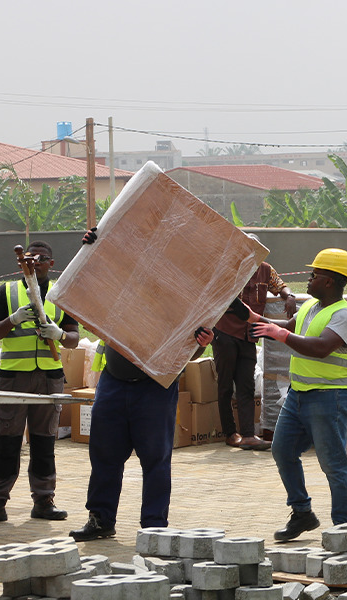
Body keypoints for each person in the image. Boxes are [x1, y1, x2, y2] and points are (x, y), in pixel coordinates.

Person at [71, 229, 212, 541]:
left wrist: (202, 343)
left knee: (155, 458)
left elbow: (191, 348)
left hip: (155, 388)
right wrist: (92, 251)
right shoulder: (121, 284)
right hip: (114, 381)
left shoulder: (183, 297)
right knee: (104, 454)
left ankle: (153, 526)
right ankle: (101, 519)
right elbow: (85, 292)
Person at [250, 248, 347, 541]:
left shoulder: (344, 315)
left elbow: (320, 347)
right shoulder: (313, 306)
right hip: (300, 394)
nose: (309, 278)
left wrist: (281, 335)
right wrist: (262, 323)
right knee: (282, 450)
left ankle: (344, 527)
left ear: (329, 281)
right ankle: (302, 513)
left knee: (332, 462)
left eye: (315, 274)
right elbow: (292, 325)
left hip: (331, 397)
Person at [0, 241, 81, 526]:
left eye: (42, 258)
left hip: (49, 378)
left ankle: (44, 500)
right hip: (13, 378)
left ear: (51, 263)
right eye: (30, 258)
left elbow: (73, 338)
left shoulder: (61, 296)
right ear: (22, 263)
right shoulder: (6, 293)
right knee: (7, 441)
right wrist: (12, 319)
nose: (35, 262)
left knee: (45, 441)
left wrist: (58, 335)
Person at [213, 233, 296, 450]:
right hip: (225, 332)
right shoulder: (230, 268)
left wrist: (289, 296)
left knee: (246, 385)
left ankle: (248, 435)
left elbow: (279, 285)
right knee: (225, 386)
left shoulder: (265, 269)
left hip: (249, 335)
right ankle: (231, 433)